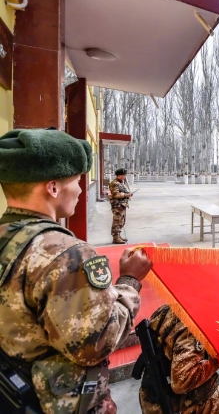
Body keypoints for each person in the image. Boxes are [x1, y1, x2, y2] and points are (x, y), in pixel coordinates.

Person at [0, 128, 153, 413]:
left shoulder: (7, 237)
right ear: (53, 187)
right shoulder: (65, 254)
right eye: (76, 181)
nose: (82, 190)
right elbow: (97, 342)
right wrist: (130, 281)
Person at [138, 305, 219, 414]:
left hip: (150, 399)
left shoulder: (167, 309)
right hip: (170, 405)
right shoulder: (192, 326)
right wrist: (217, 363)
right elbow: (181, 382)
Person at [109, 167, 132, 244]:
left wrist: (128, 195)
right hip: (117, 205)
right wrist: (126, 195)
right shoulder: (114, 183)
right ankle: (115, 237)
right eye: (123, 175)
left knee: (121, 221)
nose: (124, 177)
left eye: (124, 175)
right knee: (117, 221)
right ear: (118, 175)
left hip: (122, 205)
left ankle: (118, 236)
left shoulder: (121, 182)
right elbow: (116, 194)